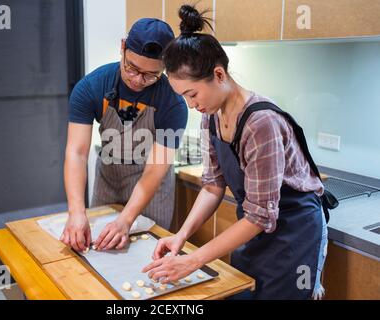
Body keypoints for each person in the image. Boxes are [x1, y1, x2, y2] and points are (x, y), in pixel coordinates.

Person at [142, 5, 329, 299]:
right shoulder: (211, 115)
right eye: (183, 97)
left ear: (218, 74)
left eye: (192, 94)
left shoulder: (260, 123)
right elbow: (213, 185)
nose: (191, 105)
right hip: (254, 226)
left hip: (294, 230)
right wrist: (181, 236)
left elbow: (260, 216)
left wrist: (193, 260)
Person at [61, 18, 188, 252]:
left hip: (151, 191)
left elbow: (155, 169)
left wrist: (126, 220)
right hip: (107, 182)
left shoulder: (174, 104)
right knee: (94, 253)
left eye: (151, 75)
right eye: (132, 68)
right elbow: (77, 153)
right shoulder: (91, 87)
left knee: (146, 258)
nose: (138, 80)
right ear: (122, 47)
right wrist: (76, 212)